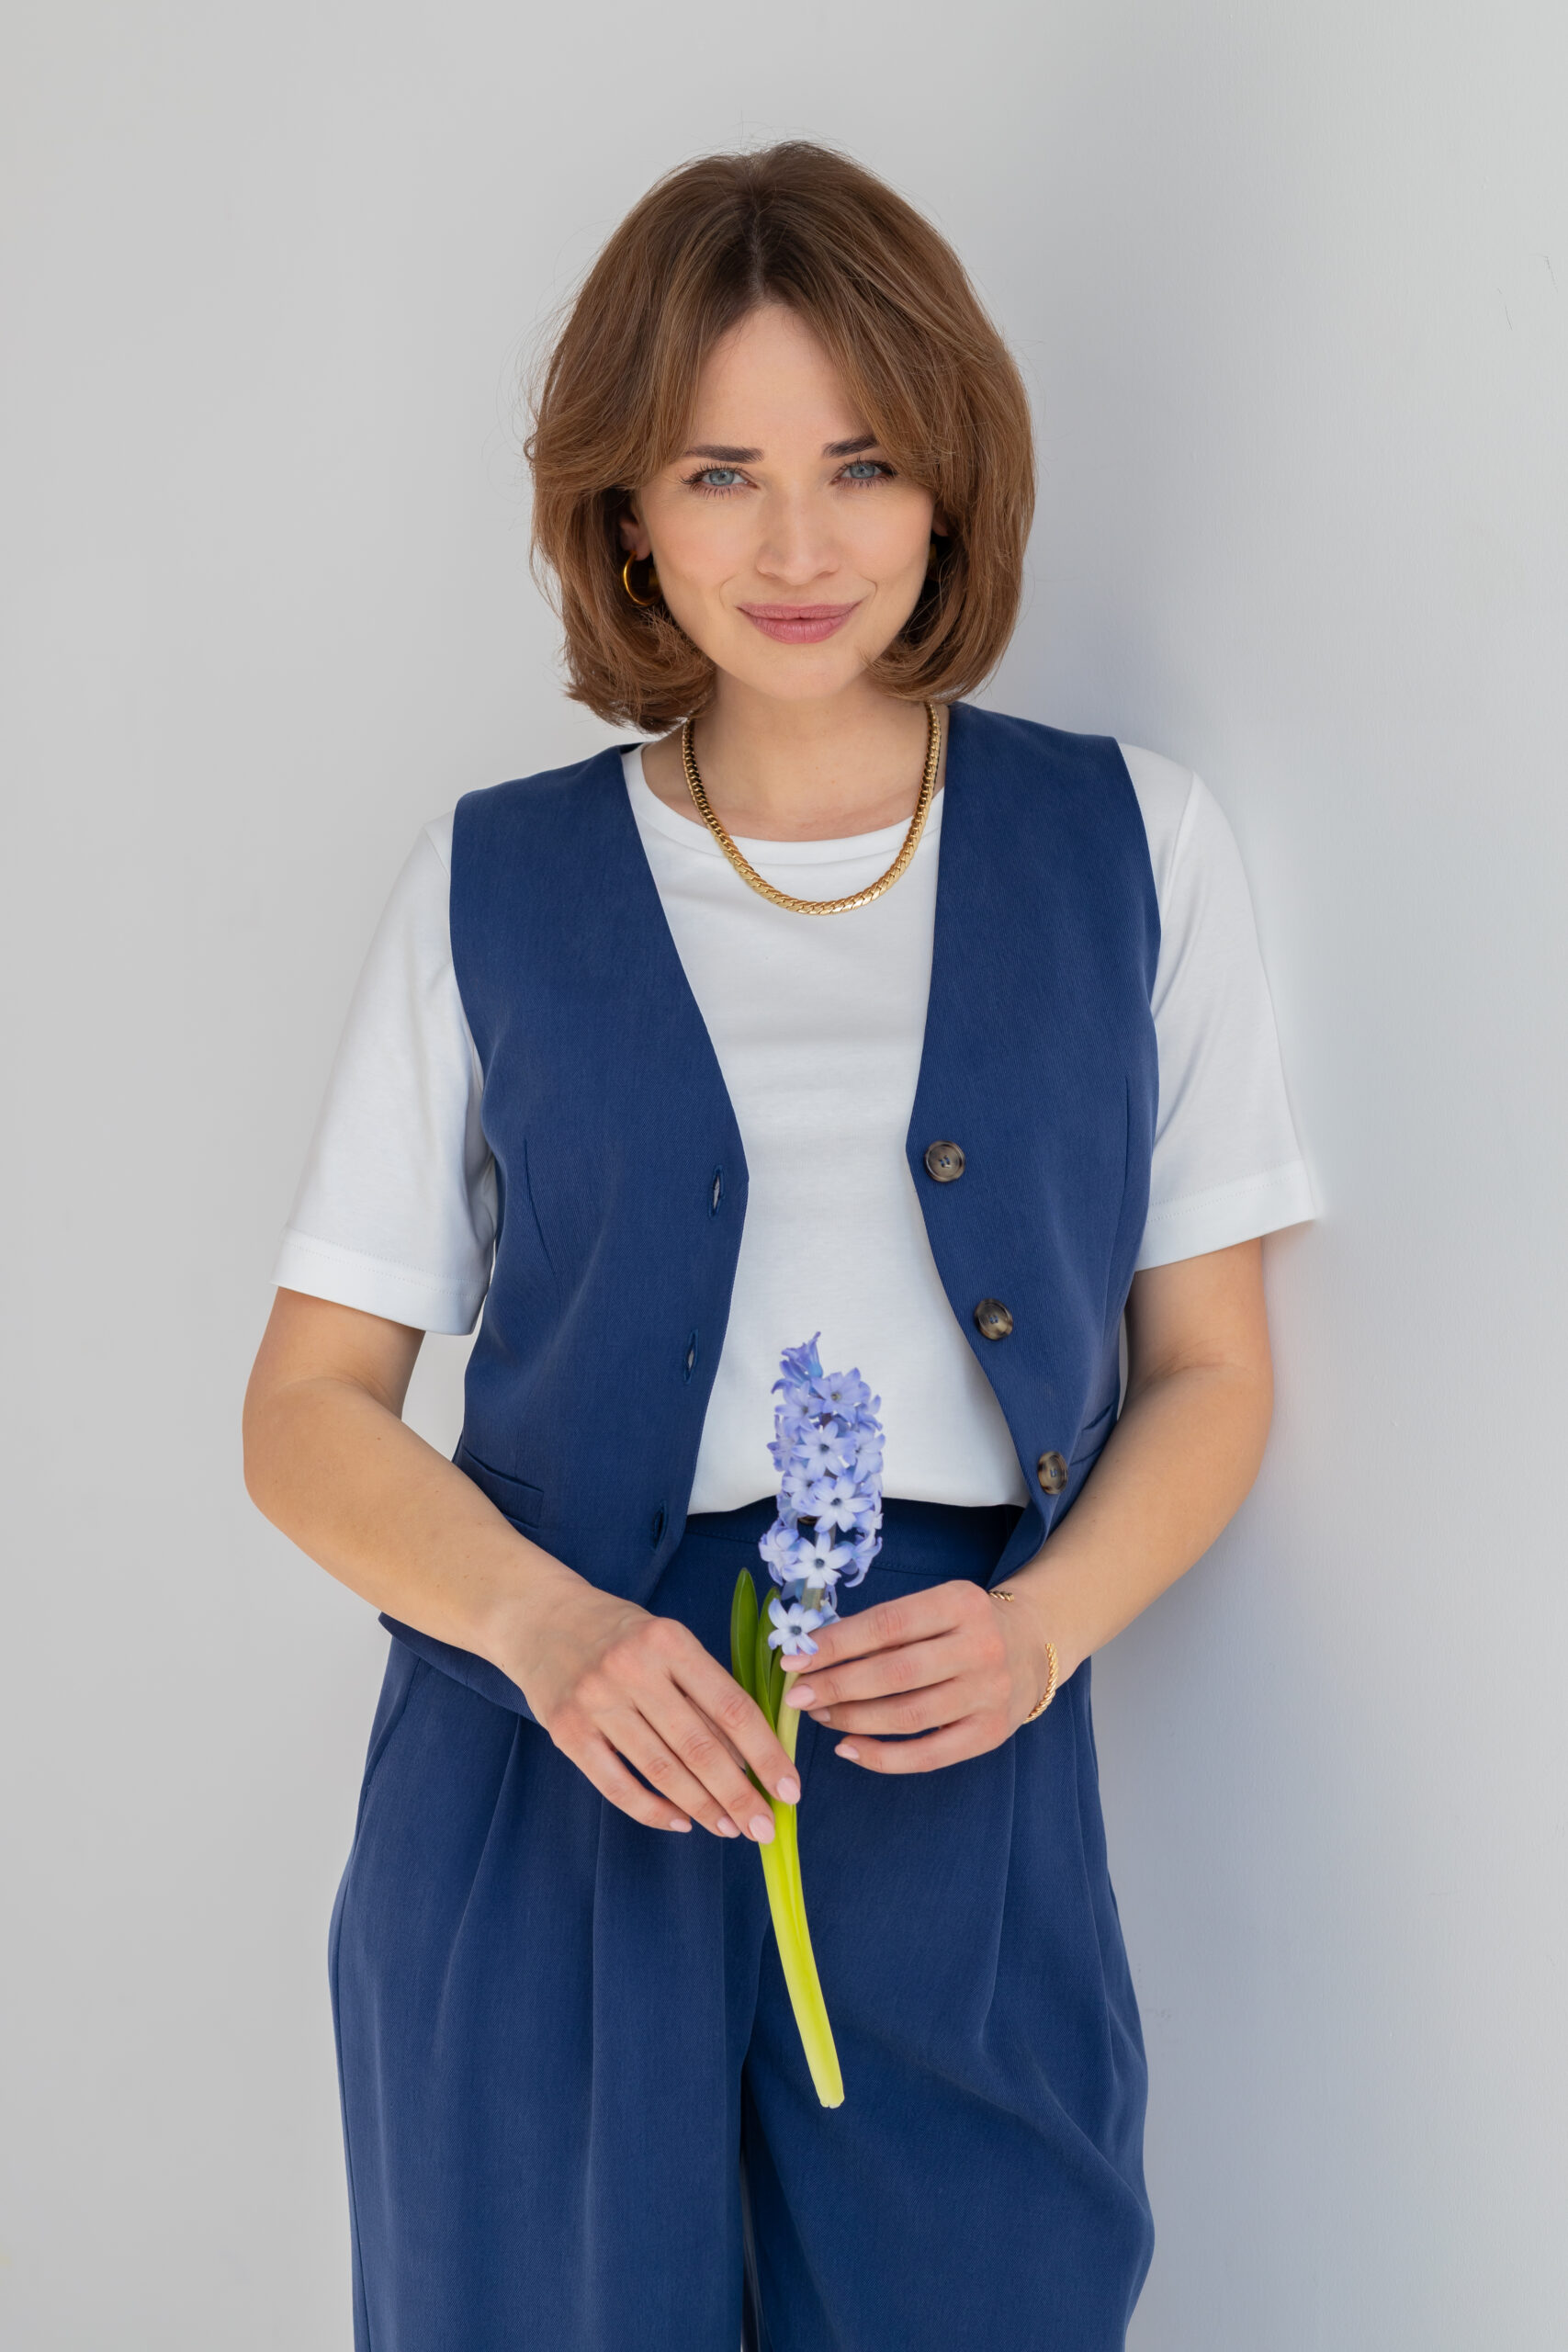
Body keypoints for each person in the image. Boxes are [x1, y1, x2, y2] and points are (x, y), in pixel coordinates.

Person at [243, 141, 1314, 2352]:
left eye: (861, 464)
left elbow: (1209, 1361)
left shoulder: (1131, 846)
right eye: (720, 473)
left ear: (948, 487)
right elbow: (304, 1409)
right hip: (553, 1767)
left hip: (950, 1747)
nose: (798, 546)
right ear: (626, 511)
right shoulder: (489, 884)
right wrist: (545, 1631)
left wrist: (1035, 1635)